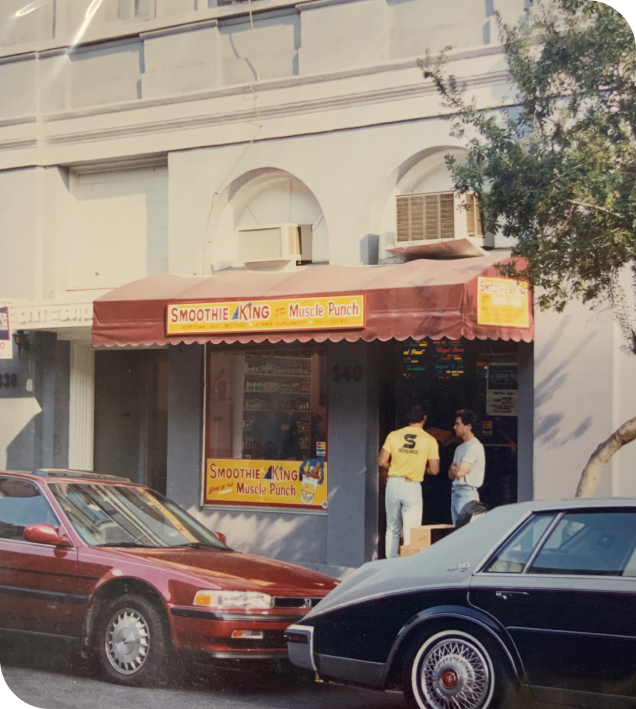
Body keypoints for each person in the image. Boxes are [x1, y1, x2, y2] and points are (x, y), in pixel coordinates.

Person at [379, 404, 440, 558]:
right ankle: (406, 563)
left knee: (392, 528)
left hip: (393, 483)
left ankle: (390, 564)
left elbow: (382, 461)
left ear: (408, 418)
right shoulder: (429, 440)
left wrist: (394, 468)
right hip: (411, 486)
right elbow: (434, 469)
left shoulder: (393, 435)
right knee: (411, 530)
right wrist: (420, 469)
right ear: (424, 419)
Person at [448, 409, 486, 525]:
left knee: (466, 530)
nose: (455, 427)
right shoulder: (460, 448)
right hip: (456, 491)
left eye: (458, 424)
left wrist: (454, 469)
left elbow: (459, 473)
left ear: (468, 426)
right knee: (458, 531)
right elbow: (450, 475)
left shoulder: (474, 446)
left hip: (467, 492)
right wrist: (455, 470)